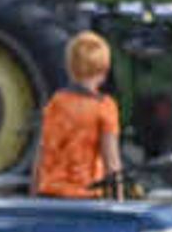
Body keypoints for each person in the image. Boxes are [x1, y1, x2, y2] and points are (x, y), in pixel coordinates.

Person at [33, 30, 122, 199]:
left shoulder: (56, 103)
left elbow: (42, 153)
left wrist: (34, 196)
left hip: (51, 193)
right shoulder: (105, 107)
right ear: (103, 69)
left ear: (70, 66)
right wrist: (119, 200)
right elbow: (112, 162)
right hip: (87, 195)